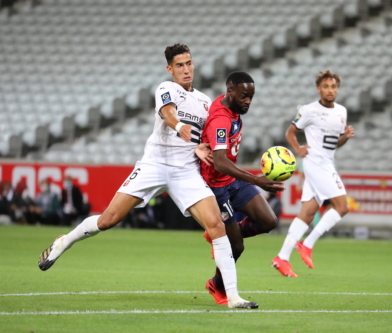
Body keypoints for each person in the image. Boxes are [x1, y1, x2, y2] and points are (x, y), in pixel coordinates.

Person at [37, 44, 257, 309]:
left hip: (185, 170)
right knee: (108, 220)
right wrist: (179, 125)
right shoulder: (166, 88)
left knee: (217, 226)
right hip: (154, 165)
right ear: (169, 69)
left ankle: (232, 296)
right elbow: (167, 113)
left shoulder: (204, 102)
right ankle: (64, 242)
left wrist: (200, 147)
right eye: (179, 65)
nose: (186, 69)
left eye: (189, 63)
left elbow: (205, 137)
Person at [199, 72, 284, 305]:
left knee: (269, 221)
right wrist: (257, 180)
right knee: (237, 245)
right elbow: (220, 161)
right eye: (244, 96)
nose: (248, 101)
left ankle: (221, 235)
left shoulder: (233, 109)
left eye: (251, 97)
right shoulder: (221, 119)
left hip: (233, 180)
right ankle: (217, 286)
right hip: (217, 187)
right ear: (230, 91)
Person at [272, 70, 355, 277]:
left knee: (308, 212)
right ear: (319, 89)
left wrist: (345, 137)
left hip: (327, 162)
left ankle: (282, 257)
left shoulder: (341, 112)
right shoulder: (309, 110)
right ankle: (307, 244)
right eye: (326, 86)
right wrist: (297, 147)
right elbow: (290, 132)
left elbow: (335, 143)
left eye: (333, 87)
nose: (330, 90)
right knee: (342, 207)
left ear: (337, 89)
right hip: (315, 164)